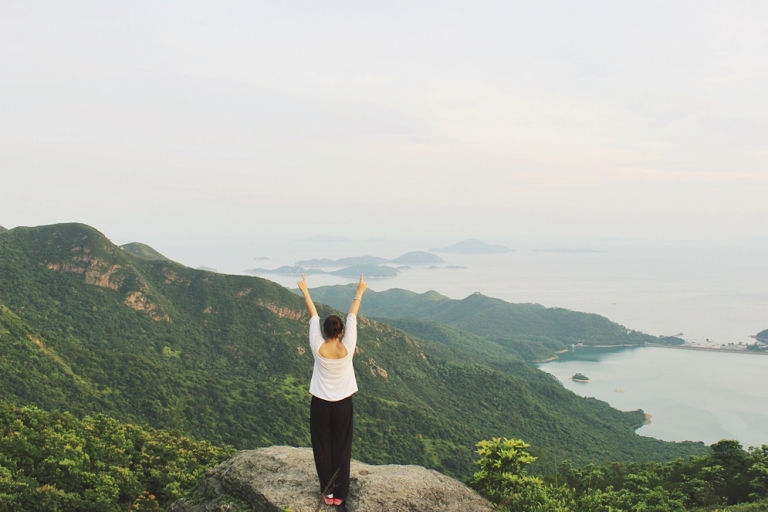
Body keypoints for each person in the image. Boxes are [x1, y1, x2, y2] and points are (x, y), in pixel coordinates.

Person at [297, 273, 368, 507]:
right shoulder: (348, 346)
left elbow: (313, 315)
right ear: (341, 332)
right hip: (343, 404)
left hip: (320, 403)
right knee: (341, 447)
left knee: (322, 445)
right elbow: (352, 315)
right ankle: (340, 494)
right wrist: (359, 292)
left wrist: (305, 291)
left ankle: (327, 493)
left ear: (325, 331)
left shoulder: (317, 346)